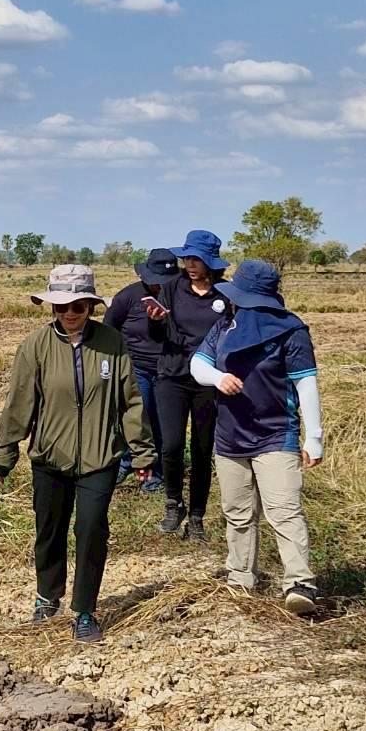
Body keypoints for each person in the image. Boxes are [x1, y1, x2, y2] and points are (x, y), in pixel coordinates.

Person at [0, 264, 156, 645]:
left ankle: (84, 610)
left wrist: (143, 455)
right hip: (50, 457)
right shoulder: (35, 346)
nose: (70, 313)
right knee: (49, 530)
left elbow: (131, 402)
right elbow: (19, 404)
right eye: (62, 306)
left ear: (91, 307)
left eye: (79, 306)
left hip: (100, 457)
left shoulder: (112, 343)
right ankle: (47, 596)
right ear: (51, 308)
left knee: (91, 529)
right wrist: (4, 452)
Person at [189, 259, 323, 615]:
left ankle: (299, 583)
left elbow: (305, 383)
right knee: (238, 512)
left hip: (275, 434)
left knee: (284, 511)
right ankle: (241, 577)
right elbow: (197, 364)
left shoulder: (291, 331)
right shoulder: (224, 326)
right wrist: (218, 378)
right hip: (230, 436)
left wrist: (314, 438)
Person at [147, 230, 230, 541]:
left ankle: (196, 516)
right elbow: (157, 337)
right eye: (187, 258)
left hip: (207, 380)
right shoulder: (170, 289)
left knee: (201, 449)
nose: (190, 264)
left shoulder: (225, 294)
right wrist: (154, 321)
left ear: (211, 262)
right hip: (172, 375)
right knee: (170, 445)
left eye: (196, 259)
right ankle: (173, 503)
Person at [104, 247, 177, 493]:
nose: (160, 287)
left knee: (160, 421)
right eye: (156, 282)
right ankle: (126, 462)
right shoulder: (128, 296)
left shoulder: (180, 296)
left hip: (168, 369)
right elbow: (109, 327)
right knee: (136, 417)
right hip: (136, 367)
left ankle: (153, 472)